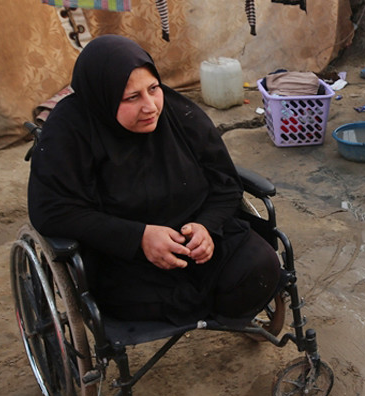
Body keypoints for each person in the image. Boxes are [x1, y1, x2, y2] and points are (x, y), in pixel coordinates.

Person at [27, 34, 281, 325]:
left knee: (261, 268)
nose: (150, 107)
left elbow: (224, 182)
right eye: (132, 97)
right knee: (167, 301)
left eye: (153, 88)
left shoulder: (178, 115)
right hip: (123, 259)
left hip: (199, 242)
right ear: (103, 98)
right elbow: (52, 211)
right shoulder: (68, 132)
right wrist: (139, 238)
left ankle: (212, 301)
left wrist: (207, 227)